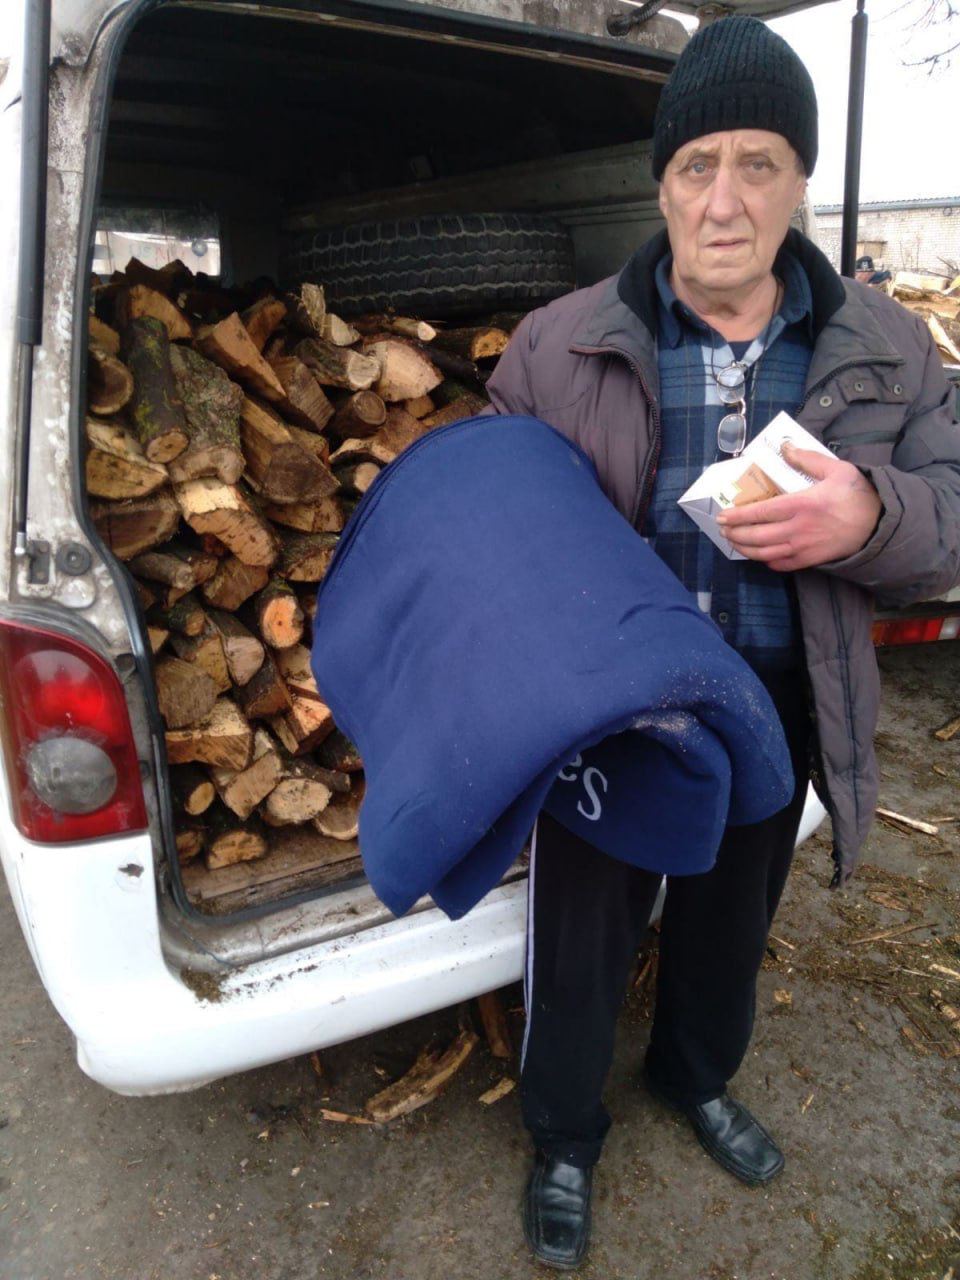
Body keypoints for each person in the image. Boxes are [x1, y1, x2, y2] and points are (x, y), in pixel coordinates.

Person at [482, 14, 960, 1270]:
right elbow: (494, 520)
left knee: (729, 920)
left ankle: (694, 1075)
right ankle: (563, 1131)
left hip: (778, 698)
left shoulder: (886, 347)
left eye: (760, 164)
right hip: (615, 709)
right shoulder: (558, 343)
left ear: (802, 182)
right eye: (698, 165)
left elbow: (953, 512)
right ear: (662, 184)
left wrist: (870, 515)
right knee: (582, 933)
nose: (725, 200)